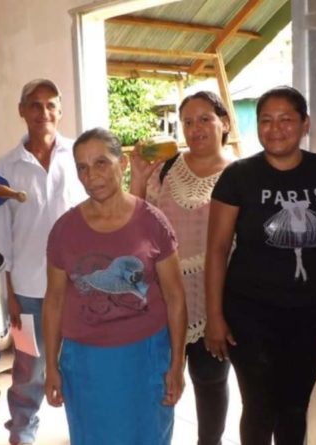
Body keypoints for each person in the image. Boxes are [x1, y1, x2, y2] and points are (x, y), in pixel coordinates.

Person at [204, 86, 316, 445]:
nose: (275, 129)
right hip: (249, 314)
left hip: (309, 315)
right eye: (266, 121)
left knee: (294, 408)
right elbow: (216, 249)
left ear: (305, 124)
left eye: (286, 119)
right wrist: (214, 316)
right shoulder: (239, 176)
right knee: (259, 408)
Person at [42, 127, 187, 445]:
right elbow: (53, 302)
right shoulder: (64, 231)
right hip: (86, 364)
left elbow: (175, 297)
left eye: (101, 163)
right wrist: (50, 366)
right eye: (82, 167)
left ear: (122, 164)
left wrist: (177, 363)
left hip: (146, 357)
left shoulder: (152, 222)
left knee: (148, 434)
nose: (92, 175)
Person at [130, 91, 234, 445]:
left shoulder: (240, 173)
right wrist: (139, 178)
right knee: (160, 381)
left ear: (224, 124)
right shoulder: (167, 168)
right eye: (187, 121)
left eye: (205, 119)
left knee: (211, 382)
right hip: (164, 299)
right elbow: (136, 224)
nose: (196, 128)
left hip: (214, 301)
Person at [0, 78, 87, 445]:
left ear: (60, 110)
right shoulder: (5, 167)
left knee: (78, 364)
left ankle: (84, 430)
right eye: (34, 104)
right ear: (22, 111)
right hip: (27, 293)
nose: (42, 112)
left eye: (50, 105)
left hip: (78, 287)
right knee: (28, 369)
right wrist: (9, 296)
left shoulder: (78, 156)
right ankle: (21, 434)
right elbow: (0, 240)